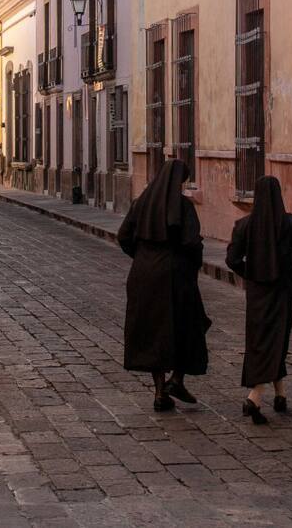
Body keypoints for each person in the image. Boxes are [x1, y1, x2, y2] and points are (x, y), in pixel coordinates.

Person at [118, 159, 211, 412]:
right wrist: (191, 264)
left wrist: (142, 258)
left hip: (143, 274)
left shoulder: (141, 203)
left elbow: (123, 236)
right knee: (187, 325)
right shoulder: (183, 207)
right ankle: (177, 380)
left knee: (152, 331)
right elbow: (192, 243)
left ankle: (160, 392)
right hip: (176, 275)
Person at [226, 176, 292, 425]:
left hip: (256, 294)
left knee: (260, 341)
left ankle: (280, 394)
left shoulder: (244, 225)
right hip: (283, 291)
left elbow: (233, 259)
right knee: (278, 340)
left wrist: (252, 274)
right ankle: (255, 396)